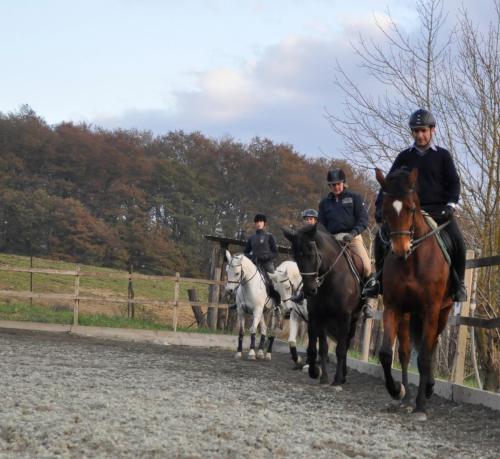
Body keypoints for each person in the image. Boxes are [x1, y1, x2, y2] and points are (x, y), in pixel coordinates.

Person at [362, 108, 467, 302]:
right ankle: (378, 281)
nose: (420, 135)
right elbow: (388, 185)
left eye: (423, 130)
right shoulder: (404, 157)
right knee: (380, 237)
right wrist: (379, 206)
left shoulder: (443, 156)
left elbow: (454, 183)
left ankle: (459, 284)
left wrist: (451, 205)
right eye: (416, 131)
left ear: (432, 130)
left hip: (438, 212)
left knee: (458, 240)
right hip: (407, 213)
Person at [318, 169, 376, 317]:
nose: (336, 187)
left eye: (338, 184)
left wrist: (353, 233)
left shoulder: (355, 198)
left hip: (352, 237)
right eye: (333, 185)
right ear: (329, 186)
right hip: (331, 239)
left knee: (367, 266)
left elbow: (363, 220)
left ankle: (368, 302)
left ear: (343, 183)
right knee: (315, 262)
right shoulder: (324, 203)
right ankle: (306, 294)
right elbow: (321, 225)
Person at [243, 213, 281, 306]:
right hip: (255, 264)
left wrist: (265, 257)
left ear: (264, 223)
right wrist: (252, 257)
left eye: (261, 221)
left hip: (267, 265)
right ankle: (239, 302)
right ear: (255, 224)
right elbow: (245, 253)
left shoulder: (269, 236)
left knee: (273, 283)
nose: (259, 223)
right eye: (257, 222)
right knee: (243, 280)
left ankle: (278, 303)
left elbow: (275, 252)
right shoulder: (251, 238)